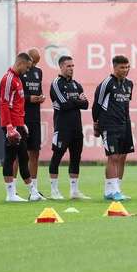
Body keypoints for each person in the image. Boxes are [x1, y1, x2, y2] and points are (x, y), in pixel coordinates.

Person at [93, 55, 134, 201]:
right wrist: (96, 124)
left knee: (122, 157)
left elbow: (125, 105)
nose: (125, 70)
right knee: (113, 157)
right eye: (122, 67)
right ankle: (114, 191)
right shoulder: (106, 84)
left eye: (127, 67)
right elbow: (96, 105)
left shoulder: (129, 84)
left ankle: (112, 190)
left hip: (124, 124)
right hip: (109, 125)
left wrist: (127, 123)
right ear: (115, 67)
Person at [48, 55, 90, 200]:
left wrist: (74, 101)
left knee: (75, 158)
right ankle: (54, 191)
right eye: (68, 66)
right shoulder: (56, 84)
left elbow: (86, 105)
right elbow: (64, 105)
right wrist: (77, 101)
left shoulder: (77, 85)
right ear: (61, 67)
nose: (71, 69)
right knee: (57, 156)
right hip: (62, 127)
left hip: (76, 128)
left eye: (72, 66)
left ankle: (74, 191)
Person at [0, 53, 34, 202]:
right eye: (27, 67)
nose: (27, 70)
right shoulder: (8, 79)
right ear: (20, 63)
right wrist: (9, 127)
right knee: (10, 157)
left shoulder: (18, 79)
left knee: (23, 157)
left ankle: (33, 192)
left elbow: (18, 105)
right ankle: (11, 194)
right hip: (11, 125)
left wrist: (22, 123)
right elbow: (4, 103)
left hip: (18, 124)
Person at [18, 48, 46, 200]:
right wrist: (30, 99)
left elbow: (38, 90)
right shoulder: (20, 71)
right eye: (32, 61)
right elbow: (18, 95)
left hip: (35, 117)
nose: (33, 64)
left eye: (36, 62)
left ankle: (33, 191)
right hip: (21, 117)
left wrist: (40, 97)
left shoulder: (38, 72)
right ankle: (13, 190)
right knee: (17, 154)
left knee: (35, 152)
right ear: (27, 59)